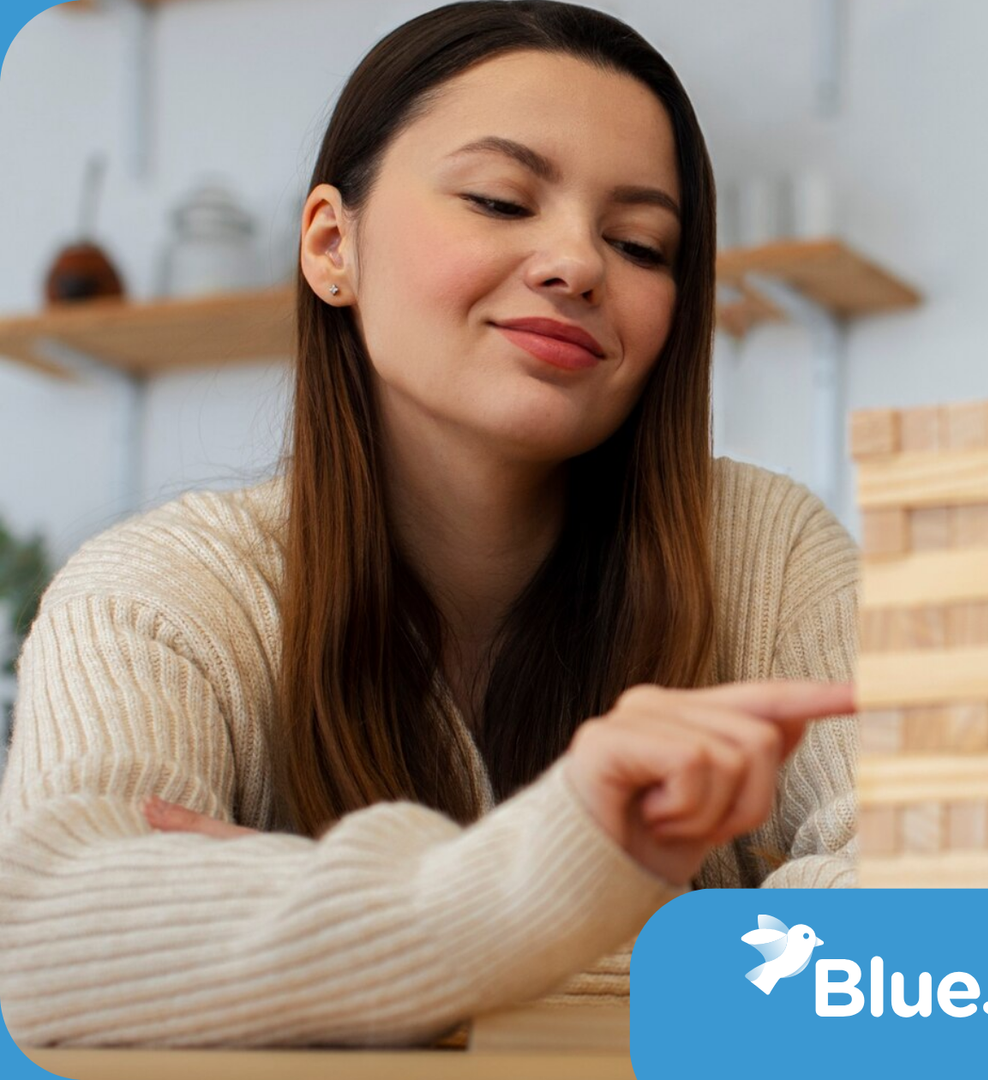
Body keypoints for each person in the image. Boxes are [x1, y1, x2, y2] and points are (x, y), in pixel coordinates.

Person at [0, 0, 860, 1048]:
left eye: (641, 243)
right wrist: (609, 891)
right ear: (330, 246)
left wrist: (305, 947)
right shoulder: (159, 595)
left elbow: (959, 924)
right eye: (501, 200)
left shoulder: (770, 556)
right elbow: (52, 947)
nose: (577, 262)